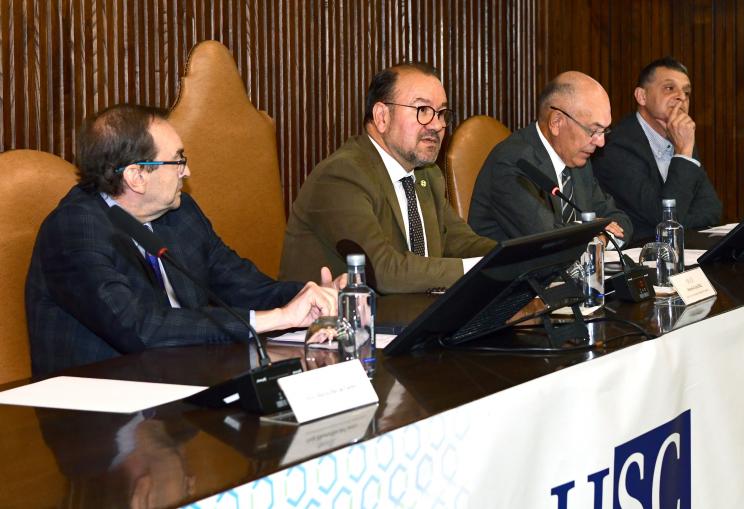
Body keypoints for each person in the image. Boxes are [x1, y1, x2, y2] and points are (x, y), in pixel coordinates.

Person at [26, 104, 340, 377]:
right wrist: (280, 317)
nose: (187, 171)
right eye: (177, 160)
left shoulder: (179, 213)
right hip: (100, 418)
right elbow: (140, 329)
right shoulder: (73, 230)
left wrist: (311, 297)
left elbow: (243, 286)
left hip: (187, 388)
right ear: (137, 176)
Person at [279, 63, 496, 294]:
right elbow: (380, 271)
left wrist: (524, 258)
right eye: (422, 110)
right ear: (382, 116)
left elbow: (461, 243)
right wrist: (477, 269)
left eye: (441, 113)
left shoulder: (427, 175)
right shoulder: (342, 175)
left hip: (412, 317)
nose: (437, 125)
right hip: (336, 324)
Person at [467, 71, 633, 245]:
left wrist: (601, 238)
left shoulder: (578, 160)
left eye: (604, 131)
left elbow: (619, 220)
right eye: (593, 130)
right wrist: (593, 231)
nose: (601, 142)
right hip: (513, 271)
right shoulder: (513, 163)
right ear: (556, 122)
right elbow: (548, 240)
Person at [592, 57, 722, 241]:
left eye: (687, 92)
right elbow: (664, 217)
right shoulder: (616, 146)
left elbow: (712, 209)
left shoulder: (682, 138)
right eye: (670, 88)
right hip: (640, 258)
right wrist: (683, 153)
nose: (681, 97)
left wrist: (676, 220)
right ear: (642, 96)